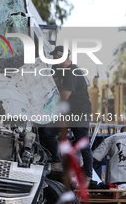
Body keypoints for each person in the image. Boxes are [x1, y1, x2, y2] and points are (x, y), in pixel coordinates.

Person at [48, 46, 93, 183]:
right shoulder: (63, 70)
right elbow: (54, 82)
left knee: (82, 145)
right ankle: (57, 161)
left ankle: (87, 176)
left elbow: (64, 97)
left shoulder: (71, 72)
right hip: (72, 113)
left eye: (55, 57)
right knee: (48, 132)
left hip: (79, 113)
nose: (53, 60)